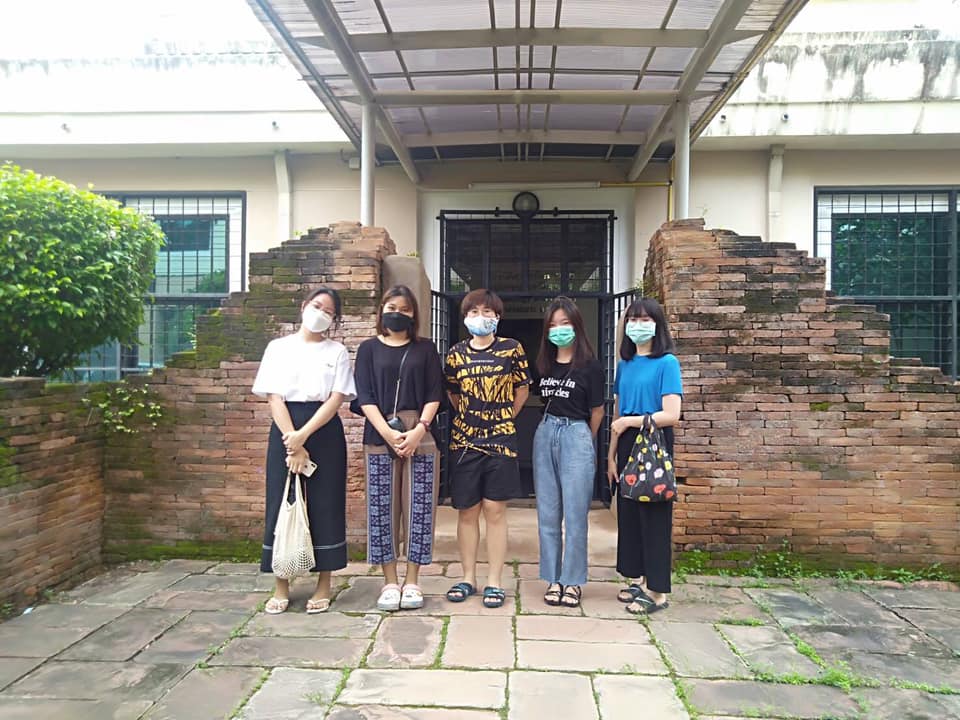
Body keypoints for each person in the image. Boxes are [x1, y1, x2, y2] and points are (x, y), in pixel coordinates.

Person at [252, 287, 356, 615]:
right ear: (303, 306)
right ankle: (281, 584)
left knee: (326, 504)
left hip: (323, 431)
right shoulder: (278, 348)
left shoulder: (336, 351)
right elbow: (274, 397)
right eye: (317, 306)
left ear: (334, 320)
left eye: (328, 311)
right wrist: (292, 441)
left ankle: (324, 584)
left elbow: (337, 398)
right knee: (282, 502)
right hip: (285, 427)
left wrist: (303, 436)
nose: (320, 314)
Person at [354, 285, 443, 612]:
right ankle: (390, 581)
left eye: (405, 309)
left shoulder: (426, 348)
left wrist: (420, 429)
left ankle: (413, 580)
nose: (398, 313)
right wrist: (387, 433)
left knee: (420, 506)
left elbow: (435, 392)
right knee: (382, 507)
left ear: (414, 314)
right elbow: (364, 395)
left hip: (420, 432)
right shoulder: (368, 349)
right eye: (392, 307)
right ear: (381, 310)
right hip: (380, 433)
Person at [443, 288, 531, 609]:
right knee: (467, 511)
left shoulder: (512, 349)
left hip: (501, 440)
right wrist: (473, 417)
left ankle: (495, 580)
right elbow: (453, 393)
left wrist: (503, 417)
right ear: (465, 317)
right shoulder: (455, 353)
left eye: (487, 312)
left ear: (498, 317)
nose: (480, 318)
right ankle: (468, 577)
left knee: (495, 510)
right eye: (473, 312)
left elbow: (522, 388)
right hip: (465, 441)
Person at [606, 297, 682, 615]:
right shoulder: (624, 365)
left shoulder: (667, 363)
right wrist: (611, 456)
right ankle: (636, 578)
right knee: (629, 515)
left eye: (645, 320)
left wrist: (631, 422)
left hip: (653, 441)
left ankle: (657, 591)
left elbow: (671, 414)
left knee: (654, 516)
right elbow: (617, 411)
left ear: (657, 325)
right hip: (625, 441)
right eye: (632, 320)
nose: (638, 326)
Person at [533, 297, 605, 608]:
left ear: (576, 326)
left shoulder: (591, 366)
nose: (559, 330)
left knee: (575, 515)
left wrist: (584, 441)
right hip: (546, 432)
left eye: (565, 323)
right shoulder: (543, 365)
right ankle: (552, 578)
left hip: (577, 432)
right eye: (553, 325)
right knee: (548, 514)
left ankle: (572, 581)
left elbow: (597, 411)